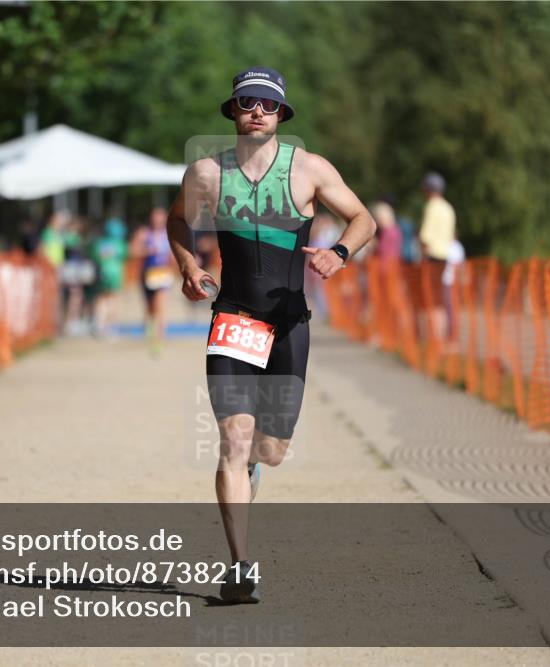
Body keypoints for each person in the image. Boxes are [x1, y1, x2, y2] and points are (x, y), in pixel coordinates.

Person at [166, 66, 376, 603]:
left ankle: (258, 464)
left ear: (281, 113)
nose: (256, 110)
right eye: (246, 102)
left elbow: (363, 219)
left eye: (267, 103)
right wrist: (189, 265)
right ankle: (238, 566)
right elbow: (177, 222)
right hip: (234, 316)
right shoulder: (207, 174)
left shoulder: (308, 170)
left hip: (289, 323)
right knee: (232, 441)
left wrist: (338, 253)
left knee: (271, 448)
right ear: (232, 111)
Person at [418, 172, 456, 343]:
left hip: (432, 257)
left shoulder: (432, 207)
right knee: (440, 298)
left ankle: (436, 338)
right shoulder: (448, 208)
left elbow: (426, 237)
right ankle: (441, 336)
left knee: (431, 298)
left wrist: (422, 258)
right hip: (445, 256)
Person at [132, 207, 174, 352]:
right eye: (155, 217)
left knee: (160, 305)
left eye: (160, 217)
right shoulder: (144, 233)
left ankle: (160, 337)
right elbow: (132, 250)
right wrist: (147, 250)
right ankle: (150, 328)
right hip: (147, 273)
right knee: (150, 306)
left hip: (162, 273)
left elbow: (174, 254)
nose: (157, 220)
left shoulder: (168, 234)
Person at [90, 217, 129, 337]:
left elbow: (95, 256)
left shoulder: (100, 243)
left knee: (101, 298)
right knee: (113, 299)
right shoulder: (120, 244)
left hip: (102, 273)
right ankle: (109, 326)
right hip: (115, 274)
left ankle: (98, 324)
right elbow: (125, 256)